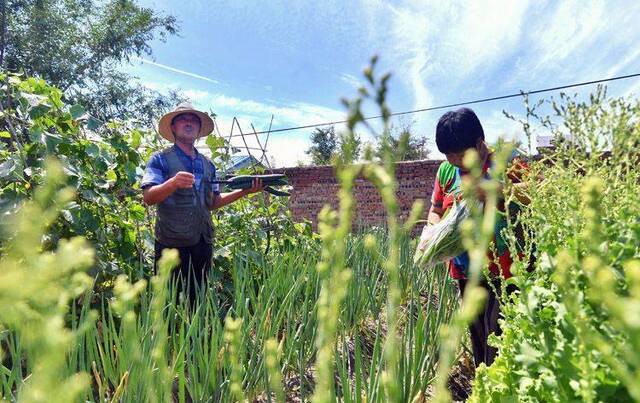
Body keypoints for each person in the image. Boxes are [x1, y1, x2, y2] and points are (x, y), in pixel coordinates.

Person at [427, 107, 529, 368]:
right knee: (479, 337)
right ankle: (484, 385)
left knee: (502, 336)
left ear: (479, 142)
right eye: (449, 155)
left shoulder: (508, 159)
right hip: (465, 269)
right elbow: (436, 209)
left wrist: (499, 190)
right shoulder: (446, 172)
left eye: (461, 154)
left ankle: (504, 385)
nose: (455, 161)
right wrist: (432, 232)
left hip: (507, 268)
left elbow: (536, 196)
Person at [141, 102, 263, 304]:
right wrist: (172, 183)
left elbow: (213, 202)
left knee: (198, 299)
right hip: (171, 243)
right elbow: (148, 197)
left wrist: (245, 191)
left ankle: (195, 336)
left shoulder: (208, 165)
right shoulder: (160, 159)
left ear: (199, 130)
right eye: (182, 119)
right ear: (172, 127)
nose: (188, 123)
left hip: (202, 242)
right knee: (167, 302)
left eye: (193, 120)